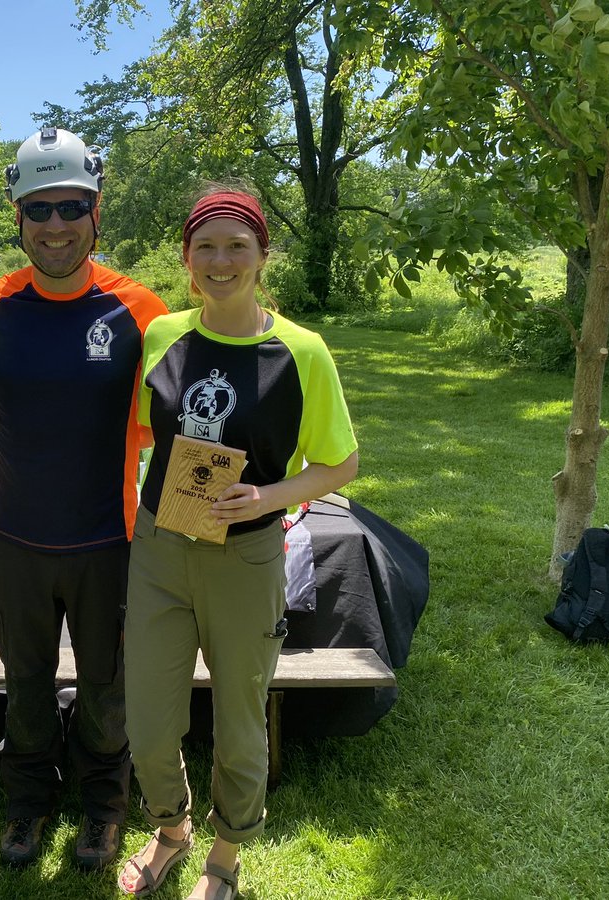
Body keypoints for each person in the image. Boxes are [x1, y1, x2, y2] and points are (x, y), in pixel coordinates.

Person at [117, 187, 359, 900]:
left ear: (262, 255)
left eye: (237, 247)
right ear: (188, 259)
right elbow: (150, 434)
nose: (221, 261)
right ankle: (170, 828)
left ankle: (224, 855)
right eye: (206, 248)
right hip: (160, 547)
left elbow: (340, 463)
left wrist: (268, 496)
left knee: (239, 721)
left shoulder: (301, 352)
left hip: (247, 556)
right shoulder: (163, 334)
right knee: (151, 721)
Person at [0, 127, 168, 870]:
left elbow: (154, 431)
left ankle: (104, 808)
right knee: (24, 687)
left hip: (107, 539)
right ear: (17, 216)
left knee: (108, 689)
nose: (55, 225)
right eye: (39, 209)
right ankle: (26, 807)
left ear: (96, 214)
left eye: (71, 208)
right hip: (15, 537)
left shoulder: (141, 310)